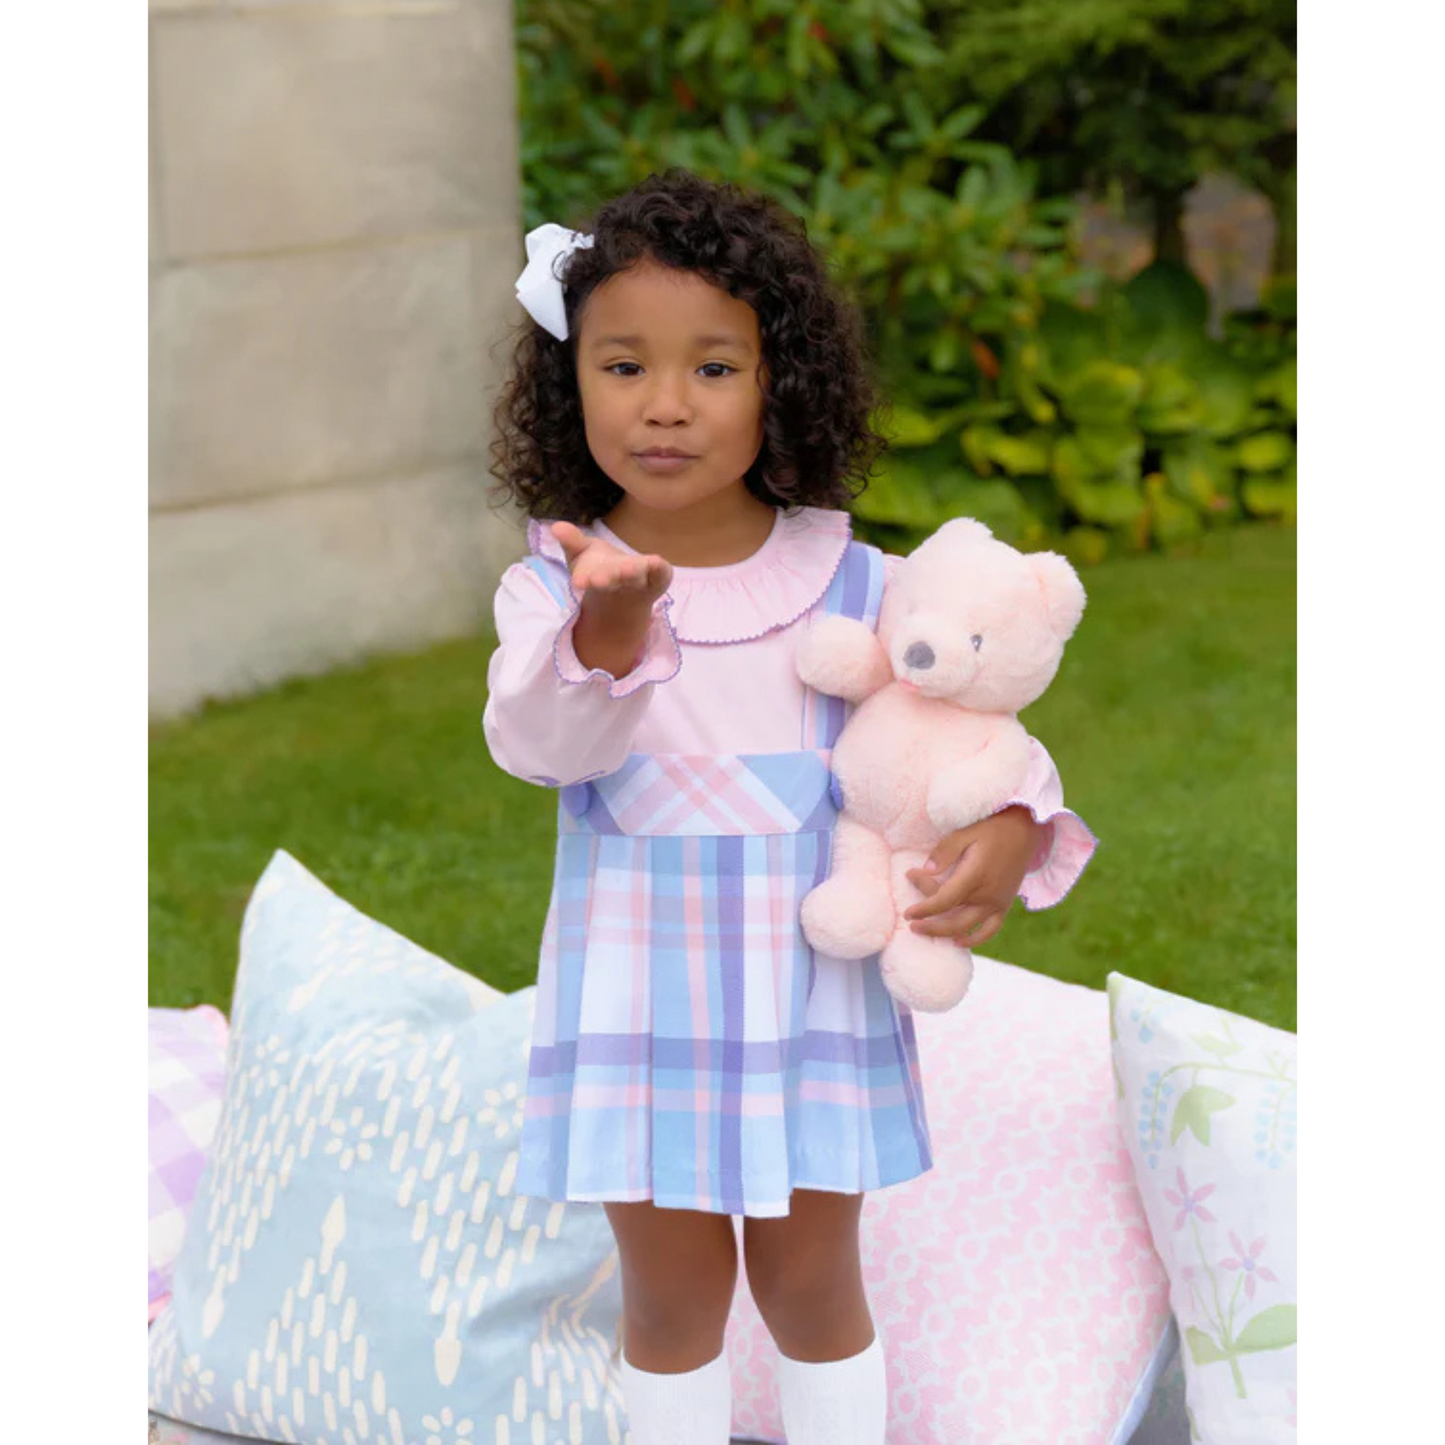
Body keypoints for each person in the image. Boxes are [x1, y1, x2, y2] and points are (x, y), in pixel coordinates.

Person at [483, 170, 1096, 1445]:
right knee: (670, 1295)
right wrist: (605, 636)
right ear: (567, 381)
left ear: (782, 384)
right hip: (640, 995)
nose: (663, 403)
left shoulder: (861, 582)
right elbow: (537, 749)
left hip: (813, 994)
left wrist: (1008, 823)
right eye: (621, 365)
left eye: (713, 368)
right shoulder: (552, 588)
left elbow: (971, 730)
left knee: (809, 1280)